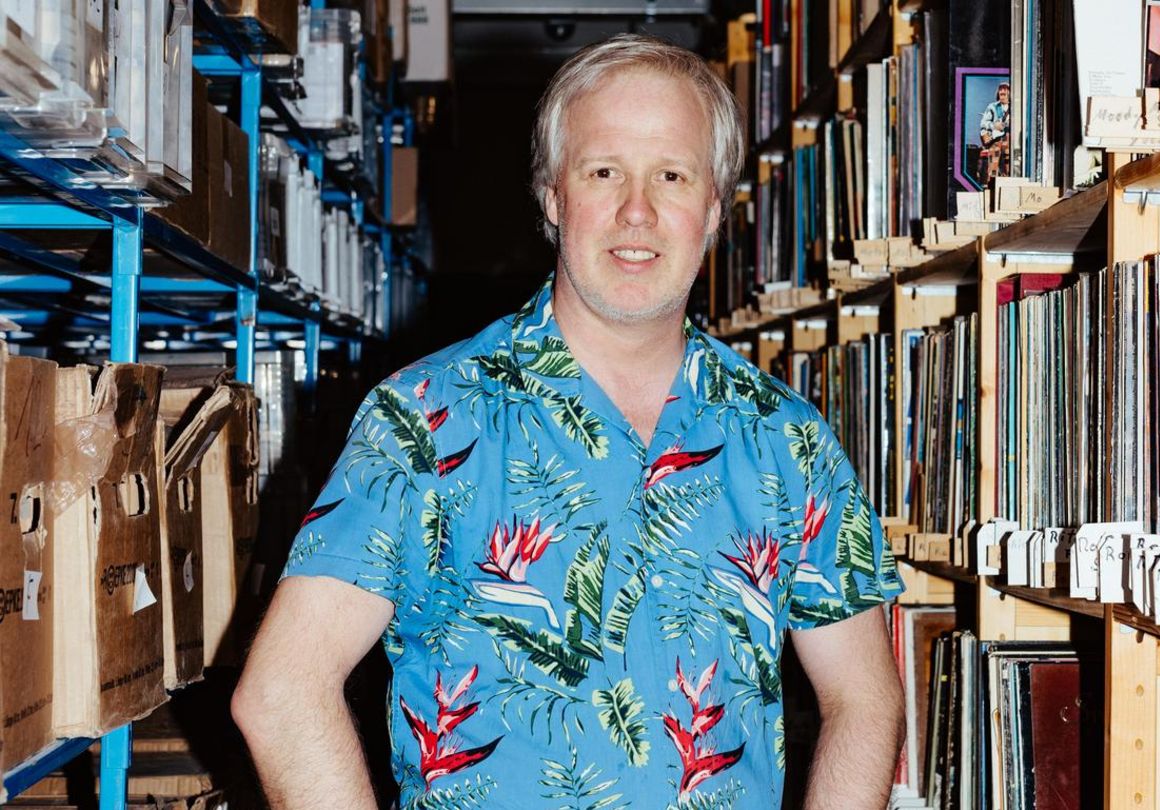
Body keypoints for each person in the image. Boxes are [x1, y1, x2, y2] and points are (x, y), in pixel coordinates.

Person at [232, 34, 906, 810]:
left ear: (714, 209)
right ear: (553, 195)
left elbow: (865, 699)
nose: (638, 211)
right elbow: (282, 692)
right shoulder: (424, 421)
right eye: (604, 171)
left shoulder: (787, 438)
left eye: (674, 176)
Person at [978, 82, 1010, 184]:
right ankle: (991, 189)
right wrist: (994, 125)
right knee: (992, 167)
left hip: (1009, 139)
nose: (1002, 94)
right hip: (995, 140)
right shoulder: (992, 106)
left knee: (1008, 167)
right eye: (1000, 92)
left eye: (1004, 92)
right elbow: (983, 123)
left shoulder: (1015, 107)